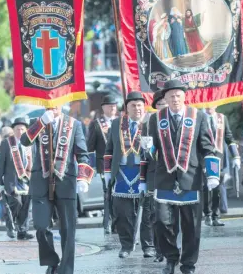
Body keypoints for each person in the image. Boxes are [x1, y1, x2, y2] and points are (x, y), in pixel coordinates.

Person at [149, 80, 219, 274]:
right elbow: (151, 150)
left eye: (178, 95)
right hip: (165, 178)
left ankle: (188, 264)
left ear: (184, 96)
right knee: (162, 222)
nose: (175, 99)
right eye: (171, 96)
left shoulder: (199, 116)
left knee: (192, 227)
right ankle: (171, 257)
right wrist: (146, 148)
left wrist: (212, 173)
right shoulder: (156, 119)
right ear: (165, 98)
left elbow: (207, 147)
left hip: (192, 177)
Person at [20, 106, 93, 274]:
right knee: (40, 225)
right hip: (41, 181)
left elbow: (82, 153)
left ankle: (66, 270)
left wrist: (83, 176)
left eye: (56, 101)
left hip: (66, 180)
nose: (53, 105)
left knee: (68, 229)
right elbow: (24, 141)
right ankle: (51, 261)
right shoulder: (36, 122)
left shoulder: (74, 124)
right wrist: (41, 123)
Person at [104, 92, 155, 259]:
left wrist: (151, 149)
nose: (137, 108)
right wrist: (107, 173)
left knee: (147, 212)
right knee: (122, 213)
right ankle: (126, 245)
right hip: (122, 173)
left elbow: (160, 151)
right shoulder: (117, 124)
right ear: (127, 108)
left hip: (145, 171)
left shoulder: (151, 123)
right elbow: (109, 150)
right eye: (133, 105)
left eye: (140, 105)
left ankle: (148, 246)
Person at [140, 90, 168, 263]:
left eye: (165, 104)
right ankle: (158, 250)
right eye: (160, 104)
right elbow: (145, 156)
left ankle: (171, 247)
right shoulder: (149, 123)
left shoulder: (176, 122)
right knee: (154, 215)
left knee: (171, 216)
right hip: (154, 174)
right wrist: (148, 147)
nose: (163, 107)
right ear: (156, 107)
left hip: (172, 174)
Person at [0, 117, 34, 240]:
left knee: (26, 205)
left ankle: (22, 230)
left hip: (26, 180)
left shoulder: (30, 144)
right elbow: (0, 163)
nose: (20, 131)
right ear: (13, 130)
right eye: (17, 129)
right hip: (11, 181)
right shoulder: (7, 143)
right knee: (16, 203)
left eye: (22, 129)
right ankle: (10, 224)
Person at [202, 106, 240, 227]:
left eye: (212, 103)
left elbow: (229, 137)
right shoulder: (198, 117)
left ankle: (216, 215)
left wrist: (236, 155)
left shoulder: (222, 118)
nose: (209, 106)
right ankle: (207, 214)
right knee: (206, 188)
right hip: (204, 158)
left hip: (219, 159)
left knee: (217, 189)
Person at [86, 95, 118, 235]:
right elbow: (90, 146)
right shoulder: (97, 124)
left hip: (120, 165)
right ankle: (107, 222)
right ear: (103, 107)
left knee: (120, 194)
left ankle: (118, 221)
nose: (112, 108)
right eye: (110, 105)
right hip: (104, 165)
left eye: (114, 105)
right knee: (107, 194)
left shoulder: (121, 122)